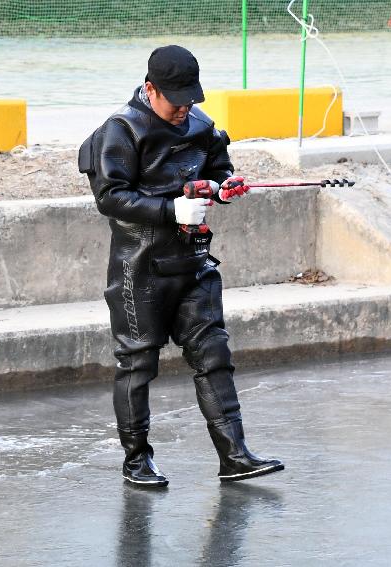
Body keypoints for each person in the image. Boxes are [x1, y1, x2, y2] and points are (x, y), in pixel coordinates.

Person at [79, 45, 283, 487]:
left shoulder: (201, 125)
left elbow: (220, 166)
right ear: (150, 89)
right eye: (176, 99)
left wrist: (223, 186)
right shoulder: (120, 130)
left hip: (193, 262)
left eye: (191, 98)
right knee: (137, 364)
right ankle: (136, 460)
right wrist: (171, 210)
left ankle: (235, 455)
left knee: (214, 354)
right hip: (141, 268)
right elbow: (110, 197)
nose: (184, 108)